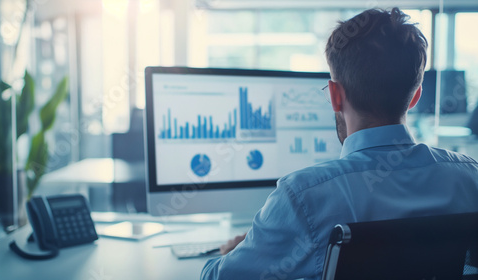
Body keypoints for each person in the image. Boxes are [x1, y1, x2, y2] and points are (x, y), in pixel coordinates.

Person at [201, 7, 478, 280]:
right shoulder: (469, 177)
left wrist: (240, 253)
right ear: (415, 96)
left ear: (334, 95)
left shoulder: (303, 197)